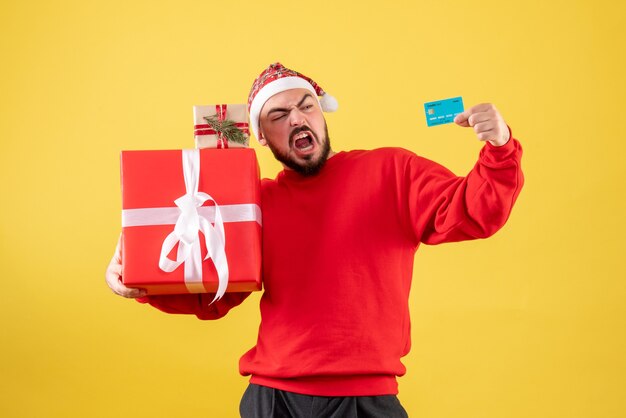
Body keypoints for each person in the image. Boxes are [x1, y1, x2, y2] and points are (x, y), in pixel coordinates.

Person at [106, 62, 524, 417]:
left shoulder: (391, 171)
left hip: (366, 399)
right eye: (279, 114)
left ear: (322, 115)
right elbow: (211, 295)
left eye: (306, 106)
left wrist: (500, 147)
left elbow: (475, 212)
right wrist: (139, 282)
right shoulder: (253, 203)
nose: (297, 118)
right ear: (262, 138)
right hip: (274, 399)